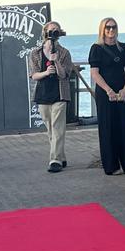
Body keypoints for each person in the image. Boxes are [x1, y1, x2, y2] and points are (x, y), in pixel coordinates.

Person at [88, 18, 125, 176]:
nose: (111, 30)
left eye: (114, 27)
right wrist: (108, 90)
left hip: (123, 92)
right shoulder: (96, 48)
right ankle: (111, 165)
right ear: (102, 29)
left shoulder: (122, 48)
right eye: (108, 27)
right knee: (108, 128)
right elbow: (95, 73)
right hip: (105, 93)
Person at [28, 21, 74, 173]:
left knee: (58, 128)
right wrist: (46, 72)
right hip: (43, 94)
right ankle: (61, 156)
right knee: (50, 129)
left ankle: (54, 160)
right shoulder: (35, 53)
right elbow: (34, 75)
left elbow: (65, 74)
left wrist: (56, 61)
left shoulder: (64, 53)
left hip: (60, 94)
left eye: (56, 30)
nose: (54, 33)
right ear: (45, 32)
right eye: (51, 30)